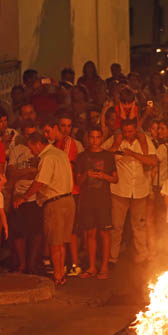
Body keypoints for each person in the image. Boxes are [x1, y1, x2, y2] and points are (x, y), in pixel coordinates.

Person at [13, 133, 75, 286]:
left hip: (55, 202)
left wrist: (24, 196)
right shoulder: (59, 153)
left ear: (37, 144)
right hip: (68, 199)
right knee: (61, 242)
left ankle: (58, 275)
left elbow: (40, 181)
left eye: (31, 147)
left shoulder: (47, 158)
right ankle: (60, 274)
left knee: (54, 242)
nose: (31, 151)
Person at [101, 118, 158, 266]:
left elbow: (153, 161)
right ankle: (112, 257)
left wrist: (133, 154)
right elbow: (101, 154)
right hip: (119, 190)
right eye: (125, 131)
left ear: (136, 130)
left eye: (131, 131)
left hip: (140, 190)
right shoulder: (116, 140)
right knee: (116, 226)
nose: (128, 134)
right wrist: (116, 145)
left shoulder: (144, 141)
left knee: (139, 224)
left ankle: (142, 255)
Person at [42, 116, 81, 276]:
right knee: (58, 235)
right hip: (60, 192)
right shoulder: (53, 145)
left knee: (68, 233)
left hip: (69, 191)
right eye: (63, 125)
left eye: (69, 126)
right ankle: (60, 265)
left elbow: (62, 161)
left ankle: (73, 264)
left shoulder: (68, 144)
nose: (66, 129)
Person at [76, 129, 118, 279]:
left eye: (97, 137)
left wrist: (103, 176)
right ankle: (92, 266)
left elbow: (115, 178)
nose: (94, 140)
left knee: (104, 233)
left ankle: (104, 266)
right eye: (92, 137)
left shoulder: (107, 156)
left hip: (103, 200)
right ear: (88, 138)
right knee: (90, 233)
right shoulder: (82, 157)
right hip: (88, 200)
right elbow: (78, 181)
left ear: (101, 138)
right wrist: (87, 175)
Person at [7, 122, 43, 274]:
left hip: (36, 196)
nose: (30, 138)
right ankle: (22, 264)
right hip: (18, 195)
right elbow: (11, 172)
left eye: (33, 134)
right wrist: (29, 170)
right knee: (18, 232)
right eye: (28, 135)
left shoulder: (41, 151)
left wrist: (25, 172)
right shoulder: (16, 150)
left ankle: (32, 264)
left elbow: (40, 174)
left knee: (35, 231)